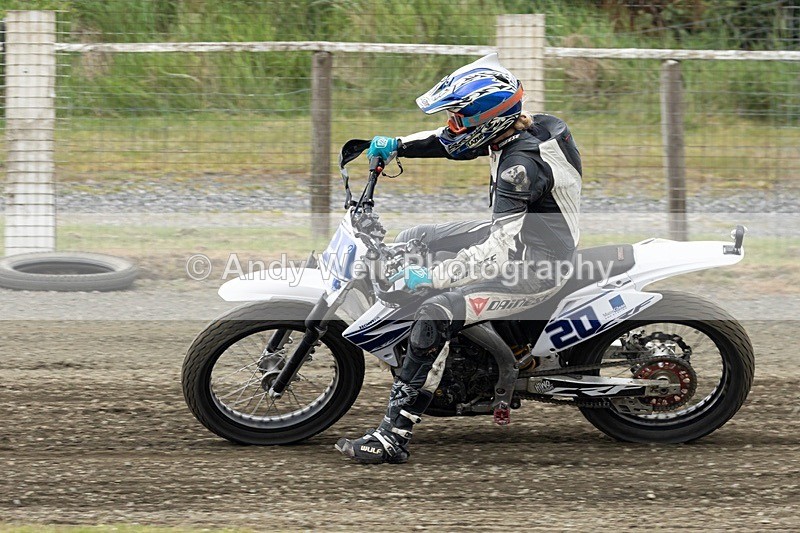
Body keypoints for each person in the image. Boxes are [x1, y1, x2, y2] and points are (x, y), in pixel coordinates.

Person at [336, 53, 582, 464]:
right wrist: (398, 145)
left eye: (459, 117)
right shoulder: (525, 126)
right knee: (416, 236)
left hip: (537, 265)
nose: (452, 125)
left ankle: (393, 436)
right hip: (525, 236)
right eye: (452, 117)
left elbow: (495, 257)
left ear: (488, 120)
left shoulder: (518, 169)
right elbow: (455, 142)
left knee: (435, 310)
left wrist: (428, 277)